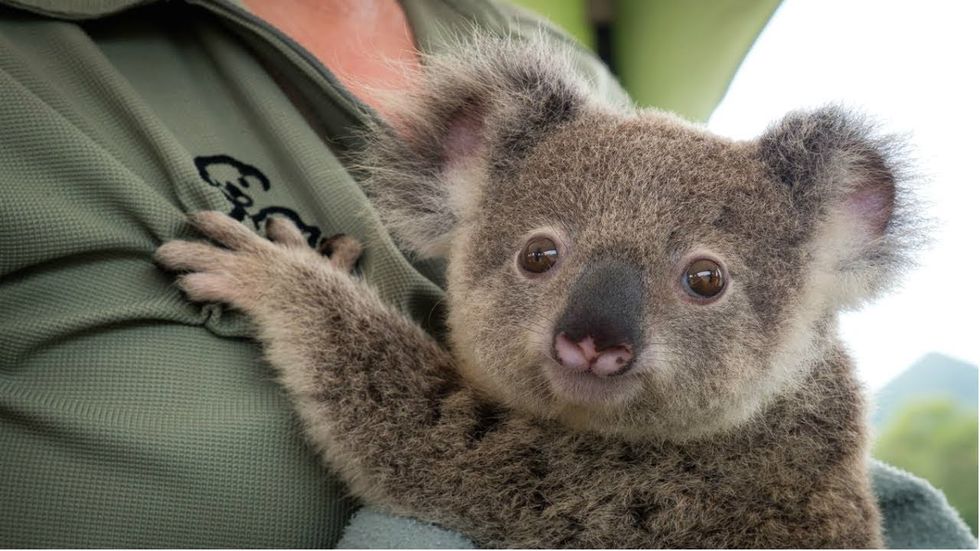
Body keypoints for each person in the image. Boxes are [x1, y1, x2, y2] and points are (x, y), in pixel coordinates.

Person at [0, 0, 974, 547]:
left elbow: (448, 459)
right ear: (456, 168)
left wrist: (298, 293)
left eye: (704, 280)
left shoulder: (564, 70)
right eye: (540, 258)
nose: (594, 323)